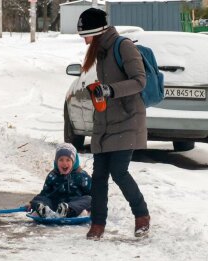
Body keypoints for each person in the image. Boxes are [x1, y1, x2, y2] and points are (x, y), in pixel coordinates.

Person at [76, 8, 150, 239]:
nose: (85, 41)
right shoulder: (101, 51)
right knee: (99, 176)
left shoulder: (123, 46)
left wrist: (110, 90)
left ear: (96, 31)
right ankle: (97, 224)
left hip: (127, 119)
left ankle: (142, 215)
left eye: (86, 35)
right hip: (105, 120)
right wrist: (99, 93)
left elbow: (140, 81)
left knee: (118, 172)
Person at [28, 143, 92, 218]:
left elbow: (91, 193)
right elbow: (45, 193)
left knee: (89, 199)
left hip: (74, 206)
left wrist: (90, 209)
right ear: (56, 161)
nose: (64, 163)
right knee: (39, 199)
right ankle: (44, 210)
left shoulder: (82, 176)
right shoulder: (53, 175)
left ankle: (67, 210)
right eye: (61, 160)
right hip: (55, 205)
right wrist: (32, 203)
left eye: (68, 160)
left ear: (73, 162)